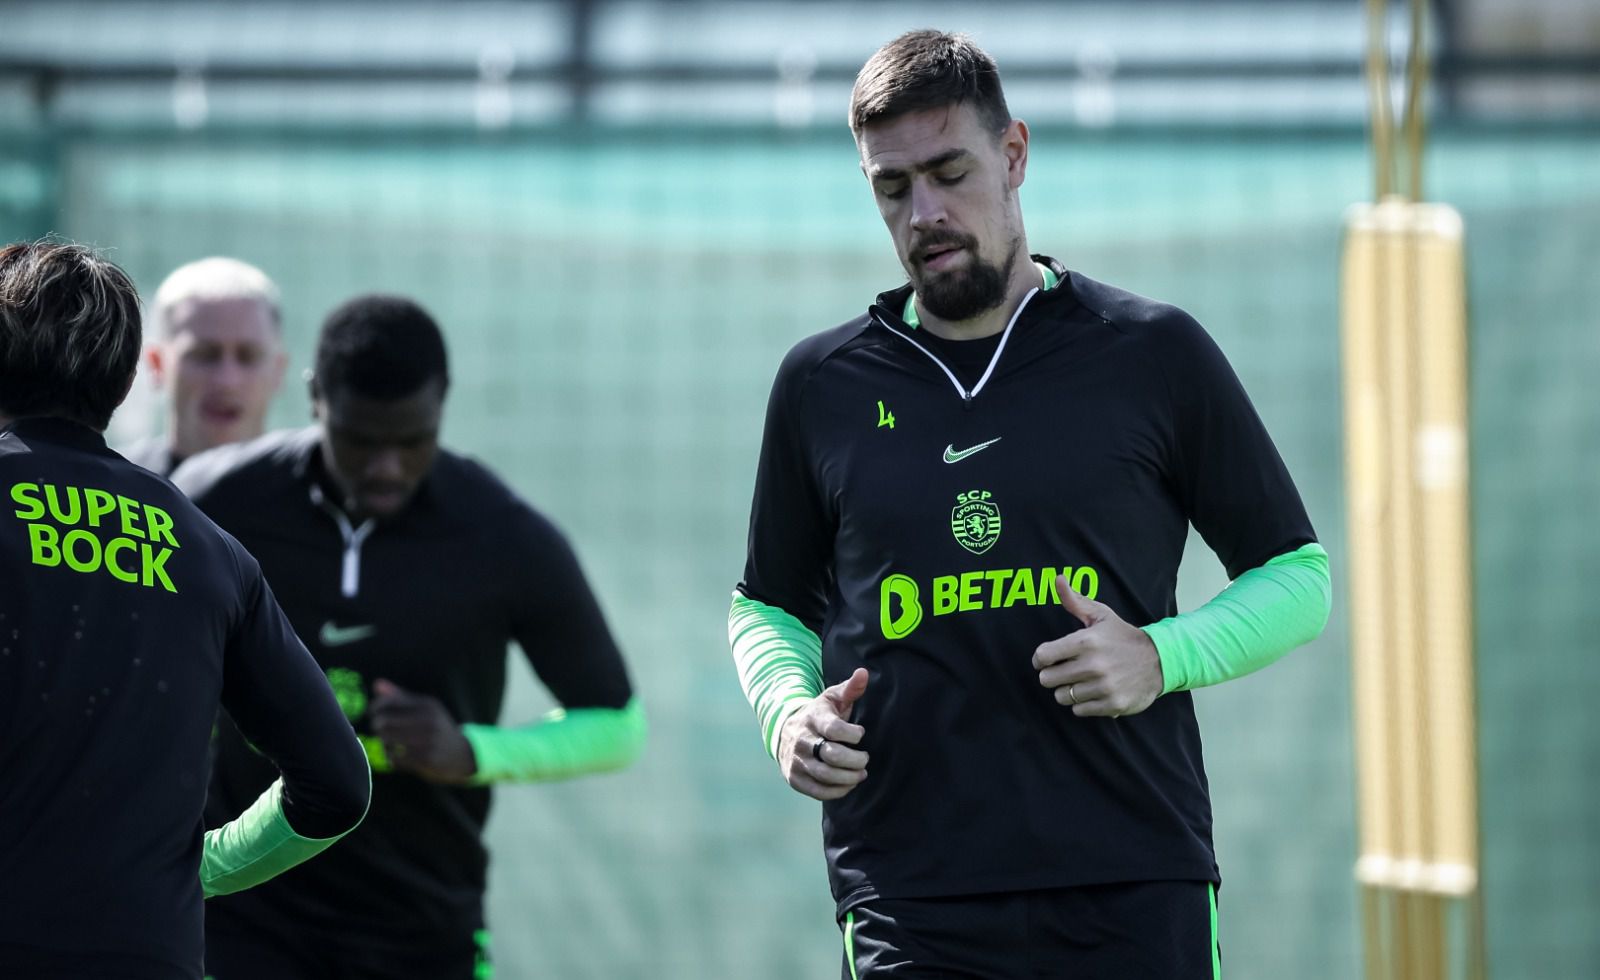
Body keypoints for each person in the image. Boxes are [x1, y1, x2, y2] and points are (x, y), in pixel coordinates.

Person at [729, 30, 1332, 978]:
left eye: (949, 172)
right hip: (908, 896)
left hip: (1133, 881)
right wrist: (787, 714)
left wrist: (1161, 657)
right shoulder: (821, 384)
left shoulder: (1151, 352)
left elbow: (1298, 577)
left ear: (1013, 155)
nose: (925, 212)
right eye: (893, 187)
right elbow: (766, 605)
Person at [174, 294, 645, 980]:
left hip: (423, 930)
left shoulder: (504, 534)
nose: (387, 467)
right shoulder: (214, 501)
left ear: (443, 403)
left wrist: (471, 751)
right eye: (362, 441)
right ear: (316, 398)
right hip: (236, 922)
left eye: (412, 441)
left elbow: (618, 726)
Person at [0, 240, 370, 980]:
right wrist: (190, 869)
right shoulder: (209, 549)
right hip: (147, 951)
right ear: (127, 378)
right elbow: (337, 784)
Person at [120, 256, 288, 476]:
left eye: (247, 357)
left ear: (278, 370)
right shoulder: (114, 485)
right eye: (205, 356)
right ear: (157, 364)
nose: (227, 380)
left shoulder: (317, 493)